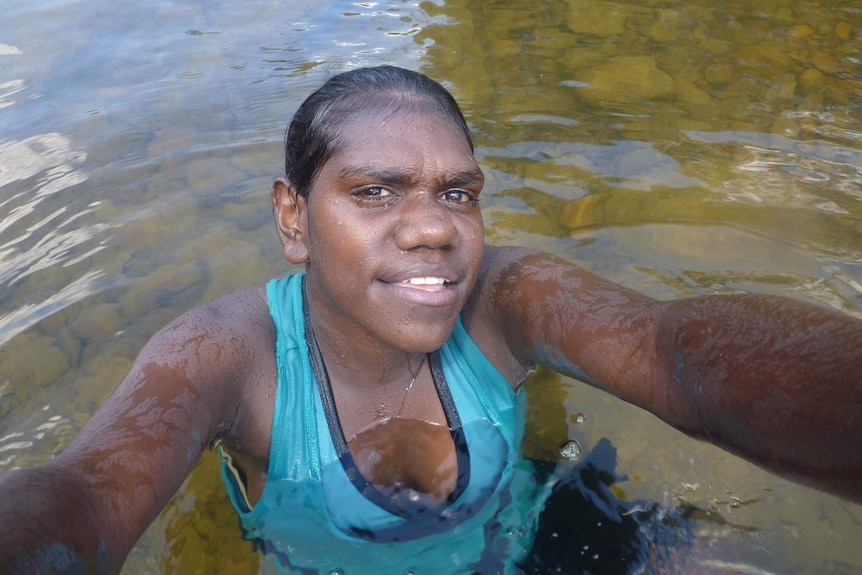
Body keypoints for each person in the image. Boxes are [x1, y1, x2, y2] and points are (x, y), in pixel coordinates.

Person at [0, 65, 860, 575]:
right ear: (293, 219)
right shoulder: (227, 357)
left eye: (459, 192)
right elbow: (80, 498)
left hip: (539, 535)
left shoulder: (505, 296)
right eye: (375, 191)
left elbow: (676, 356)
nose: (433, 226)